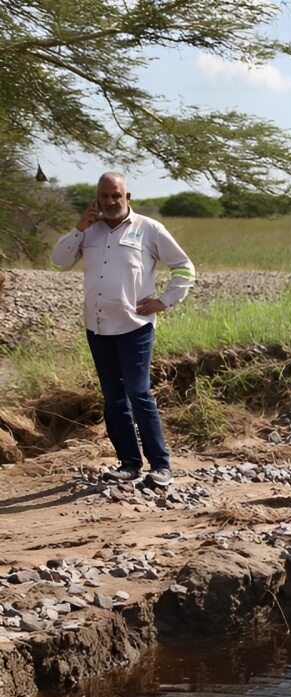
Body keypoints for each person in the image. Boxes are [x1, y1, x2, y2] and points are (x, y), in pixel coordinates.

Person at [50, 172, 195, 487]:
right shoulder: (88, 231)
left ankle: (161, 465)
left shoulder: (149, 229)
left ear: (127, 198)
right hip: (98, 327)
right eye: (104, 196)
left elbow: (184, 267)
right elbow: (58, 260)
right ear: (96, 199)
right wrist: (78, 228)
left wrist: (166, 301)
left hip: (135, 327)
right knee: (113, 398)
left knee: (138, 393)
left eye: (116, 196)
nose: (110, 202)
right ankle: (129, 463)